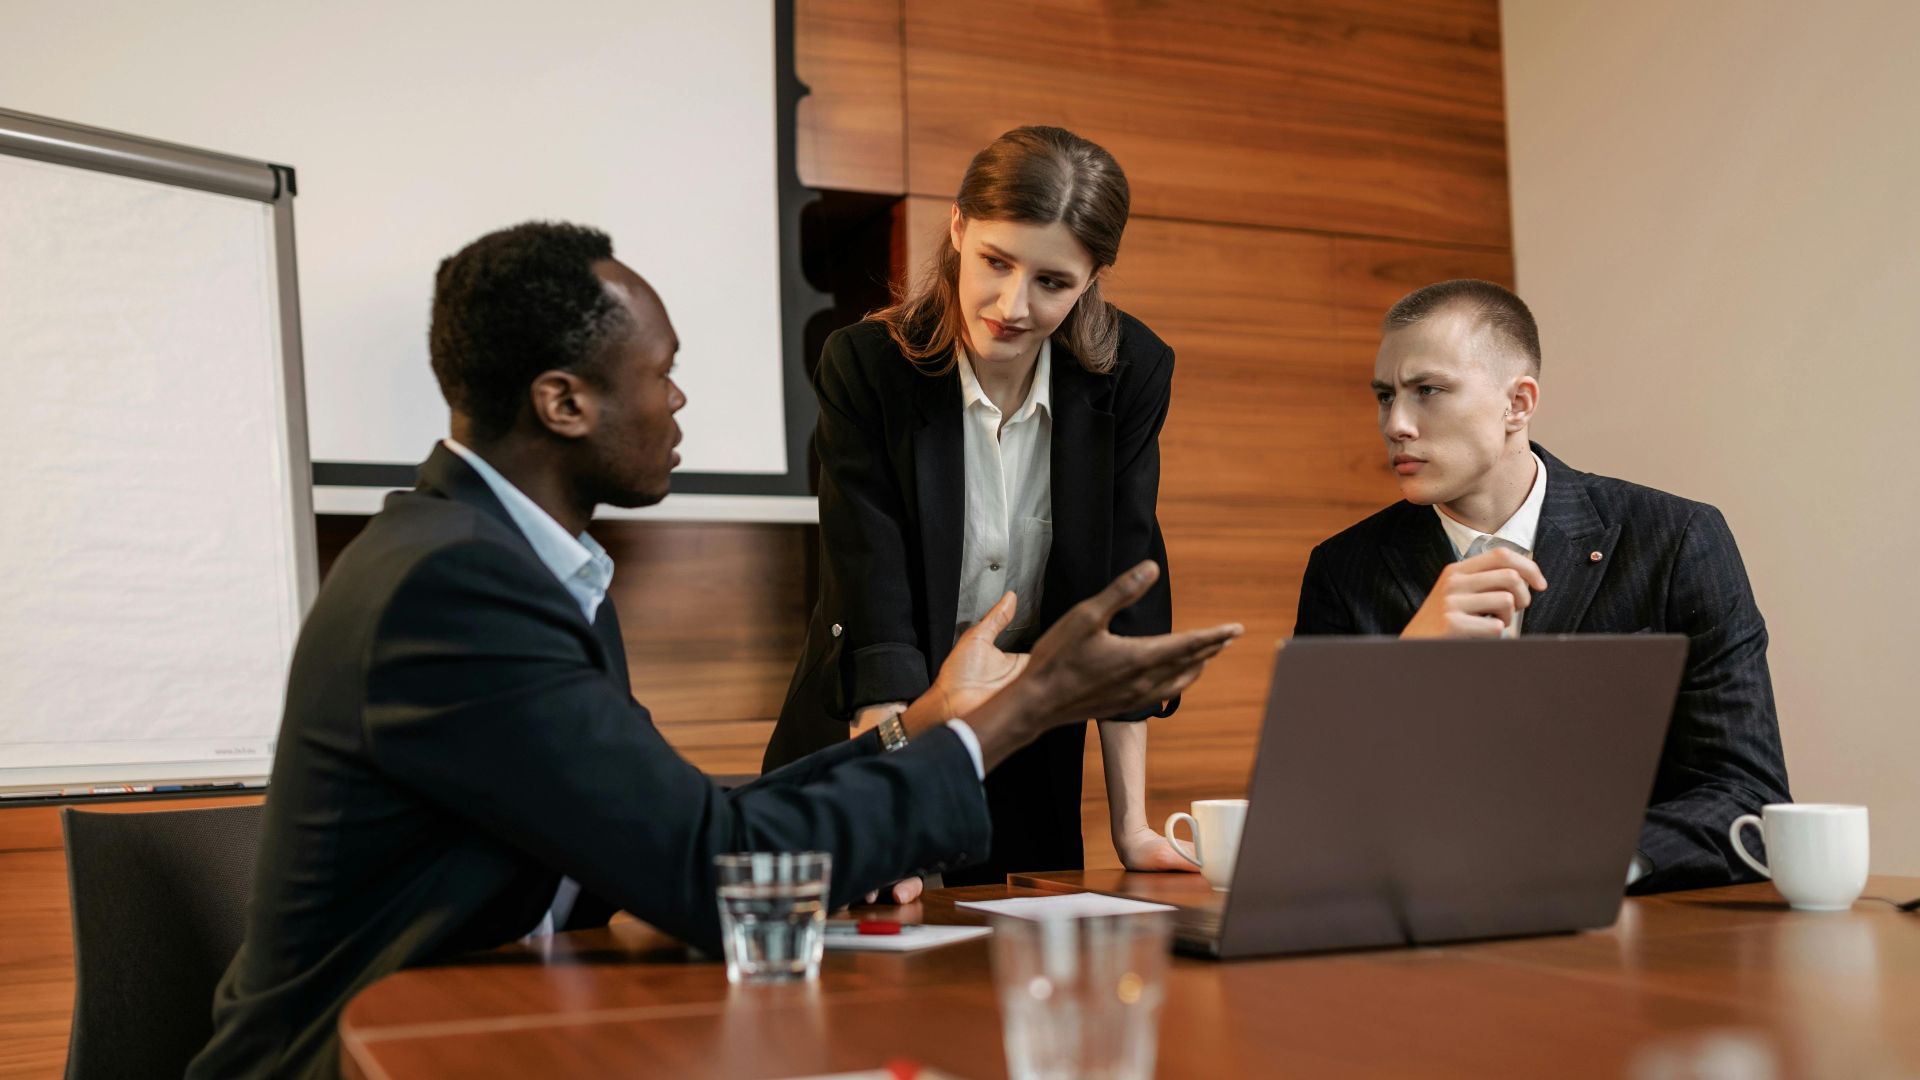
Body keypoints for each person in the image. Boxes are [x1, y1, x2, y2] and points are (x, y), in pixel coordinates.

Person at [187, 222, 1240, 1079]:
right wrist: (1024, 708)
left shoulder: (509, 558)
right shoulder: (455, 589)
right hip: (356, 1061)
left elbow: (677, 822)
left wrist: (916, 728)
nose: (680, 402)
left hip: (490, 1023)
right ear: (563, 402)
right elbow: (707, 868)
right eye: (663, 373)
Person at [762, 126, 1191, 888]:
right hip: (876, 737)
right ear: (958, 228)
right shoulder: (867, 367)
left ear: (1094, 277)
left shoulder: (1131, 375)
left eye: (1053, 282)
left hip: (1023, 741)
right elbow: (874, 599)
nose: (1012, 305)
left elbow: (1122, 586)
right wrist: (882, 816)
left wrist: (1131, 826)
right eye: (996, 262)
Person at [1292, 278, 1790, 894]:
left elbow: (1750, 798)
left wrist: (1588, 864)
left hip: (1633, 937)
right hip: (1421, 936)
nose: (1396, 423)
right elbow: (1315, 815)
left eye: (1428, 392)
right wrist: (1410, 673)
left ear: (1518, 403)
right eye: (1384, 395)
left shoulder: (1677, 538)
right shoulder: (1344, 568)